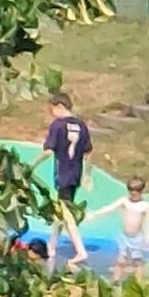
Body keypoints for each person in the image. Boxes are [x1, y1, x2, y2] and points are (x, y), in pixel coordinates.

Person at [42, 91, 92, 270]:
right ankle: (52, 246)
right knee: (62, 209)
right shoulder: (82, 126)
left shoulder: (58, 125)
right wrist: (87, 175)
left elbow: (48, 151)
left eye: (52, 109)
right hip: (75, 173)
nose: (52, 113)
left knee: (66, 213)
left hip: (62, 173)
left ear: (60, 107)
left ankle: (80, 249)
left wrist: (30, 166)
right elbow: (87, 152)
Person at [86, 177, 149, 289]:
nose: (133, 194)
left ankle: (138, 284)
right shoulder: (124, 201)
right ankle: (115, 281)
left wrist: (148, 239)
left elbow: (148, 223)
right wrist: (94, 214)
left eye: (136, 191)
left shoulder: (145, 205)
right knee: (120, 261)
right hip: (124, 237)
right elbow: (109, 208)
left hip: (137, 238)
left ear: (141, 191)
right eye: (131, 191)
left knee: (138, 262)